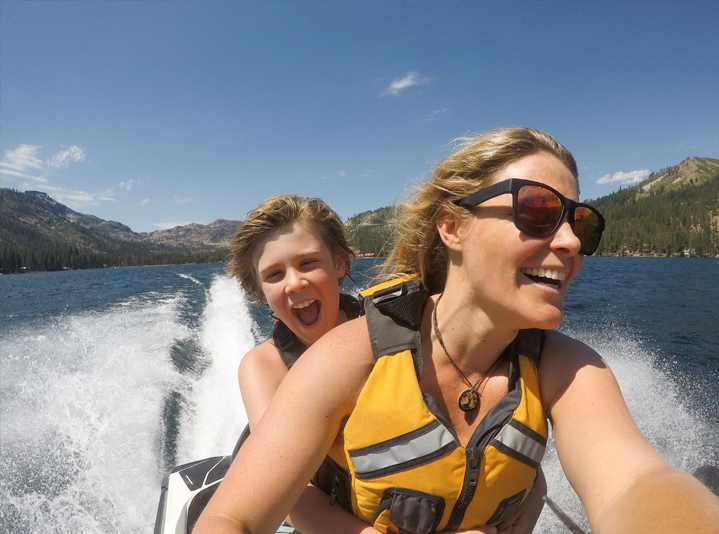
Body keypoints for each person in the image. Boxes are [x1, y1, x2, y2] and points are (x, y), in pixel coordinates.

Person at [195, 128, 719, 534]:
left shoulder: (567, 370)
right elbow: (243, 513)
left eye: (581, 225)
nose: (570, 243)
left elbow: (635, 484)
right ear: (452, 227)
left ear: (339, 265)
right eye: (536, 210)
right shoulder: (347, 357)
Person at [226, 193, 544, 534]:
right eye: (274, 275)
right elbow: (290, 497)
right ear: (260, 294)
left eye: (308, 263)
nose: (295, 282)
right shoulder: (263, 367)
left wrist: (528, 498)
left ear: (338, 265)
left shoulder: (399, 331)